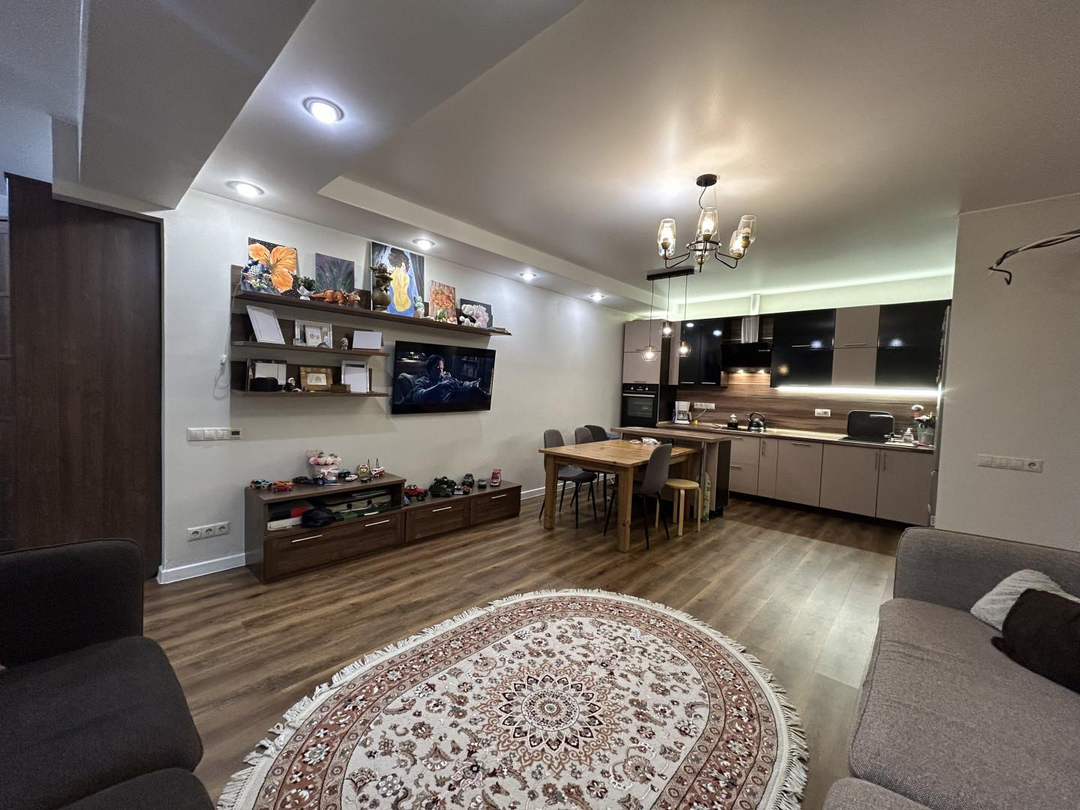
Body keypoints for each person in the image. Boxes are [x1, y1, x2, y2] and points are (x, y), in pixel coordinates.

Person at [409, 354, 483, 404]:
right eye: (437, 368)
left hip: (456, 401)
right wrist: (439, 386)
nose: (440, 371)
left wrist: (471, 383)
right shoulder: (422, 381)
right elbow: (418, 396)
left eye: (442, 368)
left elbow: (461, 383)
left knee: (474, 391)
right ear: (429, 368)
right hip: (440, 407)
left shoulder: (446, 377)